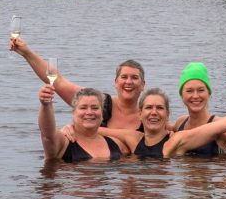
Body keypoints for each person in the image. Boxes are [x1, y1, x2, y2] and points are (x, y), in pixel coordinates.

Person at [99, 87, 226, 159]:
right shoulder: (132, 138)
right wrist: (70, 128)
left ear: (167, 114)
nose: (154, 112)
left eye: (160, 108)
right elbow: (97, 130)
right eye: (149, 108)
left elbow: (218, 126)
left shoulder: (177, 141)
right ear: (140, 114)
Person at [11, 36, 146, 129]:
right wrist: (27, 53)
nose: (129, 82)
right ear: (116, 82)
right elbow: (59, 82)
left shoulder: (150, 114)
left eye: (134, 78)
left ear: (143, 85)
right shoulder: (98, 102)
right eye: (124, 77)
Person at [171, 62, 226, 156]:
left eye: (201, 90)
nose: (195, 96)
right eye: (189, 91)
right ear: (181, 95)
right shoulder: (180, 123)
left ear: (209, 93)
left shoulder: (220, 125)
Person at [38, 84, 133, 163]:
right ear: (74, 112)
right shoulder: (63, 142)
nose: (89, 112)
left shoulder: (117, 144)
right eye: (83, 108)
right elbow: (48, 135)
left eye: (95, 108)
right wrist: (45, 105)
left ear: (102, 113)